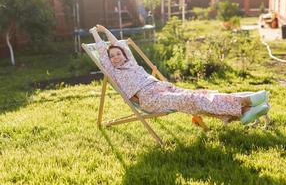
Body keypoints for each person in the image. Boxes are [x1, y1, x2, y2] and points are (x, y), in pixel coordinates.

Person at [91, 25, 270, 125]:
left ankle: (243, 110)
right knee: (192, 99)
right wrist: (94, 34)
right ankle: (244, 103)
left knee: (200, 95)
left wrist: (106, 31)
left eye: (118, 54)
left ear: (123, 54)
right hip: (148, 98)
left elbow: (120, 45)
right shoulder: (113, 70)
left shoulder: (130, 62)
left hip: (161, 87)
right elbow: (102, 52)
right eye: (112, 56)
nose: (115, 57)